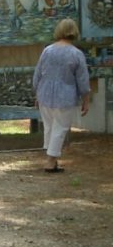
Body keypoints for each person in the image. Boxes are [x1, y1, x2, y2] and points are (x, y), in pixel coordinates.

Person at [32, 19, 91, 173]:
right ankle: (50, 161)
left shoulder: (47, 50)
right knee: (60, 128)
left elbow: (37, 74)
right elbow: (83, 80)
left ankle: (51, 159)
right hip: (65, 95)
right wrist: (86, 100)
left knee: (49, 127)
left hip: (45, 93)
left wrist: (37, 94)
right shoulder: (76, 53)